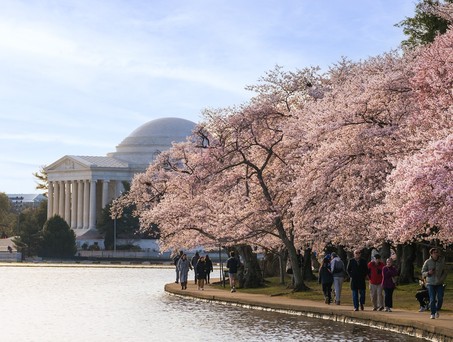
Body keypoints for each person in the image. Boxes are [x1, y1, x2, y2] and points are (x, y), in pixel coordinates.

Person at [421, 247, 448, 319]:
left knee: (440, 298)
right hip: (430, 283)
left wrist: (441, 279)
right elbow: (423, 272)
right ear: (431, 254)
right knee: (432, 299)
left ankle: (436, 309)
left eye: (437, 252)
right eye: (435, 252)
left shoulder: (441, 262)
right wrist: (428, 273)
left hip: (439, 283)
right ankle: (433, 313)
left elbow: (445, 272)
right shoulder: (427, 262)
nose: (436, 253)